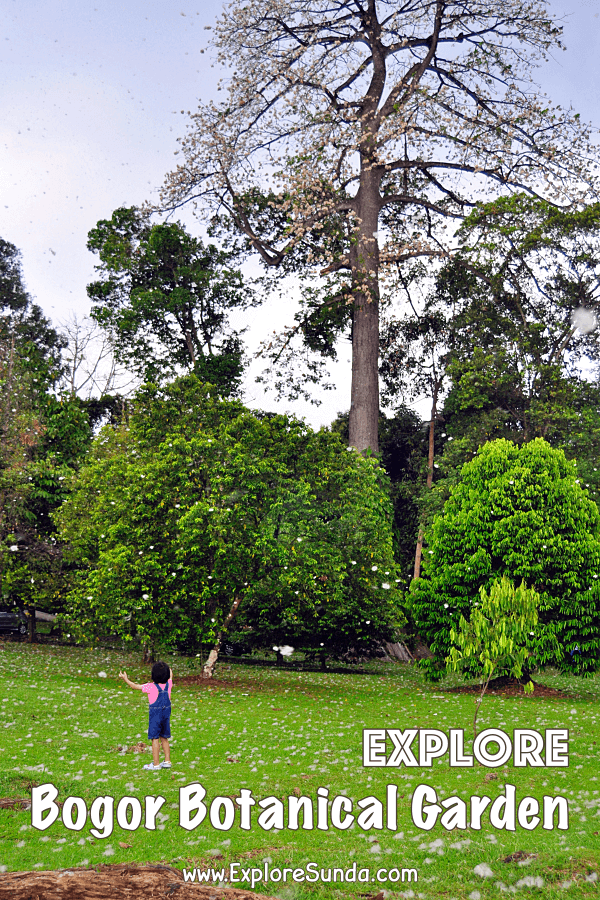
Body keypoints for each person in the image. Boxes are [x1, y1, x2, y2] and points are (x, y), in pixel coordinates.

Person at [119, 661, 173, 771]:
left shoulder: (150, 687)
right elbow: (170, 675)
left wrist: (125, 679)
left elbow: (134, 686)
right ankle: (167, 761)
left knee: (155, 739)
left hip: (155, 718)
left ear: (153, 675)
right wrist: (168, 670)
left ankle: (156, 764)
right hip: (166, 716)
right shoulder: (169, 684)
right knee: (164, 738)